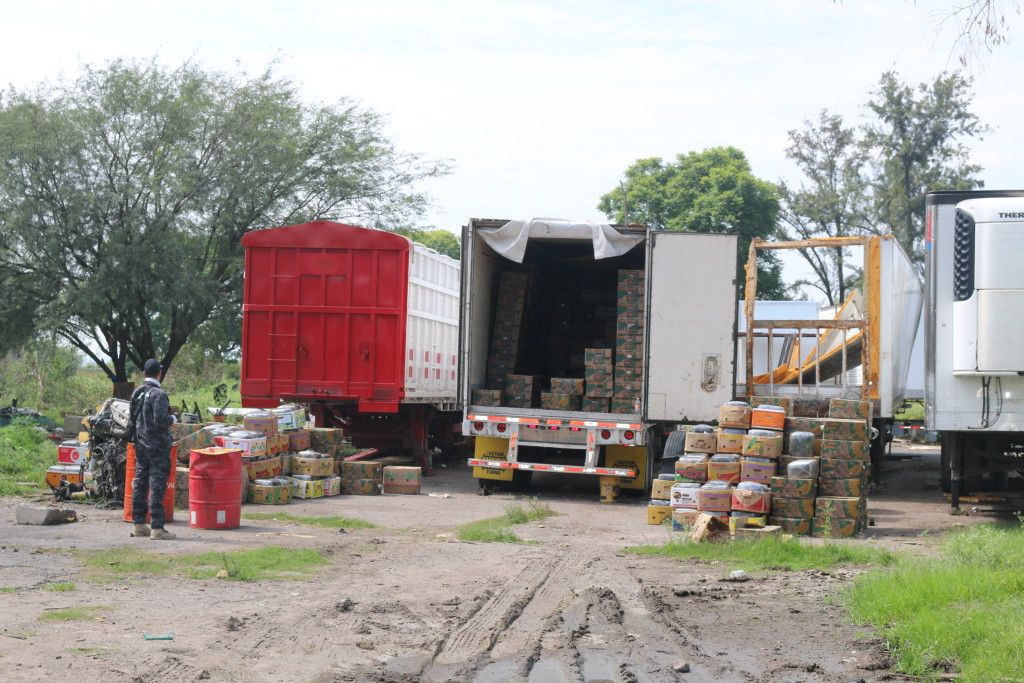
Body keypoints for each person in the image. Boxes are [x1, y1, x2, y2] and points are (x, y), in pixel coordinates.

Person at [128, 359, 178, 540]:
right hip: (158, 448)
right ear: (159, 374)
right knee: (157, 486)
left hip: (140, 446)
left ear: (144, 374)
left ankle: (139, 525)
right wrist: (172, 419)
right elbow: (160, 420)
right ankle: (157, 528)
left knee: (140, 484)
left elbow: (131, 421)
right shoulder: (159, 394)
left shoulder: (137, 393)